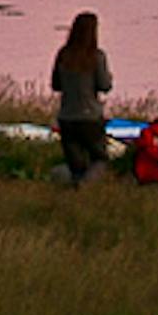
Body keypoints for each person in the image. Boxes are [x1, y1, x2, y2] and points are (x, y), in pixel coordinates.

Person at [51, 11, 112, 186]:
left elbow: (56, 85)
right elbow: (105, 85)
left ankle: (76, 186)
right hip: (90, 117)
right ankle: (84, 186)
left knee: (76, 165)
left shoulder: (63, 55)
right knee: (100, 159)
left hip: (67, 117)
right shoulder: (97, 57)